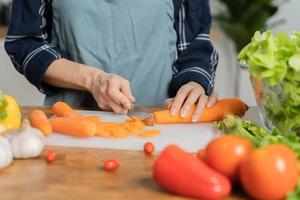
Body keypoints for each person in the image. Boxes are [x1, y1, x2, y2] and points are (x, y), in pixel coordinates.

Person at [5, 0, 218, 122]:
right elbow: (25, 42)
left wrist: (194, 83)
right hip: (72, 125)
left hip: (162, 122)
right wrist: (93, 80)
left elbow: (194, 44)